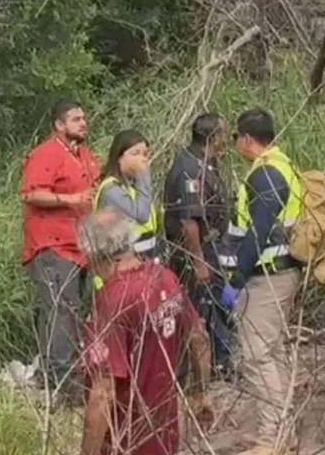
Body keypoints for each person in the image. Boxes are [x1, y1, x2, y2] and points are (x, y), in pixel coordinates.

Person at [78, 207, 214, 455]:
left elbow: (103, 393)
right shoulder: (165, 278)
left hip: (126, 440)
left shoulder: (111, 302)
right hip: (164, 434)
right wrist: (201, 393)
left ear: (93, 255)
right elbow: (199, 338)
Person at [218, 108, 303, 455]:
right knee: (273, 352)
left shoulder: (265, 174)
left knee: (258, 356)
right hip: (280, 273)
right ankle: (281, 431)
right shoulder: (281, 166)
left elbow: (258, 232)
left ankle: (274, 437)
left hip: (268, 276)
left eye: (238, 137)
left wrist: (237, 279)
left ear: (247, 139)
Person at [19, 99, 99, 401]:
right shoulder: (46, 153)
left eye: (84, 118)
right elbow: (30, 193)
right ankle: (62, 383)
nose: (83, 123)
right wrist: (71, 200)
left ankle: (61, 374)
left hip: (81, 247)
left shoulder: (85, 156)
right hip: (52, 246)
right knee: (61, 312)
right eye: (76, 119)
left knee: (72, 311)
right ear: (59, 125)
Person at [163, 113, 239, 382]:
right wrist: (198, 262)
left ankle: (221, 362)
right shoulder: (190, 169)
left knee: (217, 306)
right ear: (213, 138)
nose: (227, 141)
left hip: (213, 245)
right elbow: (189, 222)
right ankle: (199, 371)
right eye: (223, 135)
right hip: (197, 250)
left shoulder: (206, 163)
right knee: (200, 308)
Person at [95, 130, 162, 262]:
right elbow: (141, 215)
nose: (142, 159)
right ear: (119, 158)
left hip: (145, 258)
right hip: (123, 264)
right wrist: (143, 176)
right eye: (135, 153)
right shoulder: (111, 189)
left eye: (145, 154)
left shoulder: (130, 187)